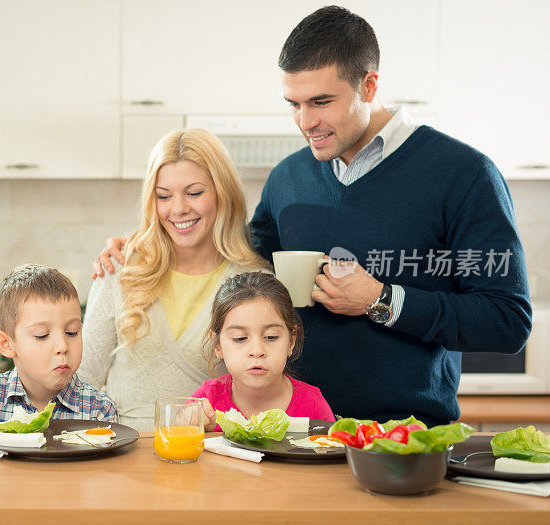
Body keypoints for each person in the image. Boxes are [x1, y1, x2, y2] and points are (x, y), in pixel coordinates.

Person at [93, 6, 531, 427]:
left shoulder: (462, 174)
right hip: (291, 435)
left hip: (402, 436)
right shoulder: (289, 178)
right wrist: (144, 240)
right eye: (294, 103)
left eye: (321, 102)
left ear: (370, 85)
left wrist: (382, 300)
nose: (305, 122)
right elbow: (231, 249)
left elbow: (507, 322)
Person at [78, 128, 269, 431]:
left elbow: (265, 396)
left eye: (194, 193)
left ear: (223, 193)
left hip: (211, 460)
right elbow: (82, 381)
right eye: (163, 196)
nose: (178, 208)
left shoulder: (255, 285)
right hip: (122, 457)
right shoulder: (121, 270)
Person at [0, 264, 118, 450]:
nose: (62, 346)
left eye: (72, 332)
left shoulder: (98, 410)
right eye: (42, 335)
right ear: (7, 344)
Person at [193, 272, 334, 431]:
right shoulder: (204, 403)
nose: (257, 351)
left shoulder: (313, 405)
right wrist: (198, 431)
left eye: (271, 337)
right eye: (240, 338)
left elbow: (334, 452)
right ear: (217, 345)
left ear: (291, 341)